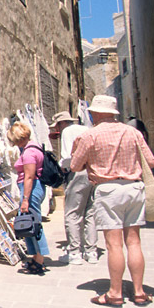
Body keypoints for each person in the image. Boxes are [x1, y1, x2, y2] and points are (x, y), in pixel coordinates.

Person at [70, 95, 154, 307]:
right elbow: (151, 162)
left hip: (108, 189)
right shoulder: (133, 132)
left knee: (114, 244)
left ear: (97, 113)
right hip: (134, 187)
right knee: (134, 241)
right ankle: (139, 292)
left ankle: (115, 293)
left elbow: (74, 166)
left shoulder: (90, 136)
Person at [49, 111, 97, 264]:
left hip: (77, 173)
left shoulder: (67, 132)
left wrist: (61, 169)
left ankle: (75, 252)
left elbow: (67, 157)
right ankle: (91, 251)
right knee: (90, 213)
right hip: (92, 173)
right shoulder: (86, 129)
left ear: (62, 123)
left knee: (72, 213)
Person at [6, 121, 49, 275]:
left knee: (34, 224)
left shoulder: (29, 152)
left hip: (31, 189)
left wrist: (25, 199)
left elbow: (29, 177)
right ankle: (36, 256)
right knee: (30, 222)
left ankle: (39, 260)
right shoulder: (35, 147)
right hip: (34, 188)